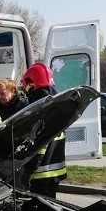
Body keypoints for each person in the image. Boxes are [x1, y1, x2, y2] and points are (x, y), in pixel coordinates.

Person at [22, 63, 67, 198]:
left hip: (40, 171)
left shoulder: (38, 104)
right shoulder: (60, 100)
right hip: (56, 167)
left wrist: (27, 170)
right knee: (50, 207)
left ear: (31, 83)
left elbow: (38, 141)